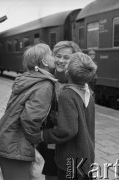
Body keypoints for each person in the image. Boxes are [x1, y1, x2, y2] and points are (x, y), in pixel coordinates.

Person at [0, 43, 58, 180]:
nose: (55, 58)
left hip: (6, 138)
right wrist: (36, 140)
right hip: (16, 145)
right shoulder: (45, 84)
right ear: (44, 61)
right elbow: (30, 118)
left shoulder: (27, 79)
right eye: (51, 54)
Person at [42, 52, 97, 180]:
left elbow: (67, 130)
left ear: (67, 72)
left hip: (70, 160)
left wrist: (44, 134)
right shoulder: (89, 92)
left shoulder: (67, 95)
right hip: (86, 156)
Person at [37, 41, 82, 180]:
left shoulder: (79, 81)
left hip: (71, 142)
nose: (60, 61)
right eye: (58, 56)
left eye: (66, 57)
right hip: (49, 139)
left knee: (71, 173)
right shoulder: (45, 78)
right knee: (51, 173)